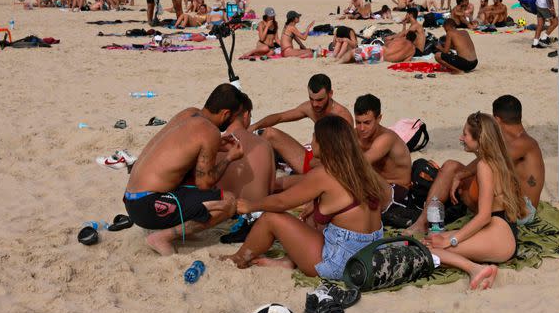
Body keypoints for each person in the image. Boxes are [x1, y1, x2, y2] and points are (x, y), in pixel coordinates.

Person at [220, 115, 391, 279]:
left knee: (270, 218)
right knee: (310, 214)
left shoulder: (324, 174)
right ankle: (288, 262)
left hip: (340, 263)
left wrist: (251, 206)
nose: (312, 140)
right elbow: (385, 198)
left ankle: (239, 258)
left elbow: (281, 202)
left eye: (314, 136)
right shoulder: (361, 169)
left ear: (324, 144)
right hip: (371, 253)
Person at [123, 84, 245, 255]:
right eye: (234, 118)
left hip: (132, 199)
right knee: (229, 202)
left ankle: (178, 227)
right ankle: (163, 237)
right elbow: (205, 183)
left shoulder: (188, 113)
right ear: (225, 114)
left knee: (192, 177)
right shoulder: (210, 131)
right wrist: (229, 158)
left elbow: (182, 151)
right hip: (148, 206)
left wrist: (216, 147)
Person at [420, 112, 527, 290]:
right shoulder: (496, 158)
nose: (461, 138)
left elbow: (484, 216)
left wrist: (452, 240)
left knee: (430, 249)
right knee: (431, 239)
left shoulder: (484, 166)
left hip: (500, 236)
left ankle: (476, 269)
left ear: (480, 139)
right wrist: (459, 175)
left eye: (465, 134)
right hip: (502, 228)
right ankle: (475, 266)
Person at [407, 96, 544, 234]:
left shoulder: (523, 143)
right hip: (507, 200)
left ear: (496, 119)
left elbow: (491, 160)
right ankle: (423, 222)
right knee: (450, 166)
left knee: (465, 185)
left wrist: (460, 175)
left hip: (522, 210)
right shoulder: (509, 140)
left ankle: (452, 218)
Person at [248, 74, 353, 174]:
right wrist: (254, 126)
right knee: (268, 133)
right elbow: (280, 117)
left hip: (326, 167)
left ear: (330, 94)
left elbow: (347, 155)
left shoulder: (342, 116)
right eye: (311, 99)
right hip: (310, 158)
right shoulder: (310, 108)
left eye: (320, 100)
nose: (315, 104)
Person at [353, 94, 412, 205]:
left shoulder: (386, 138)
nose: (361, 128)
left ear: (379, 119)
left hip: (397, 191)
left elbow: (360, 164)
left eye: (367, 123)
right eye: (358, 122)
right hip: (374, 185)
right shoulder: (355, 134)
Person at [217, 90, 275, 201]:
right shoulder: (264, 144)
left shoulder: (216, 145)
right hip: (255, 213)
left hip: (223, 211)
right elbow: (270, 189)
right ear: (246, 115)